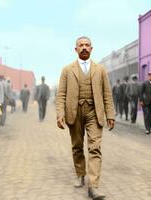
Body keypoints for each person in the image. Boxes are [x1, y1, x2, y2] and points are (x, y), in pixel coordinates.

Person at [56, 36, 115, 200]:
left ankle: (93, 186)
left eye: (87, 45)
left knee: (95, 148)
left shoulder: (100, 69)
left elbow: (107, 94)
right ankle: (80, 174)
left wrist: (110, 114)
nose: (84, 47)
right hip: (74, 112)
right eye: (80, 45)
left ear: (91, 48)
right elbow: (61, 94)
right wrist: (60, 114)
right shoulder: (67, 70)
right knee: (77, 146)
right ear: (76, 49)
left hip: (94, 113)